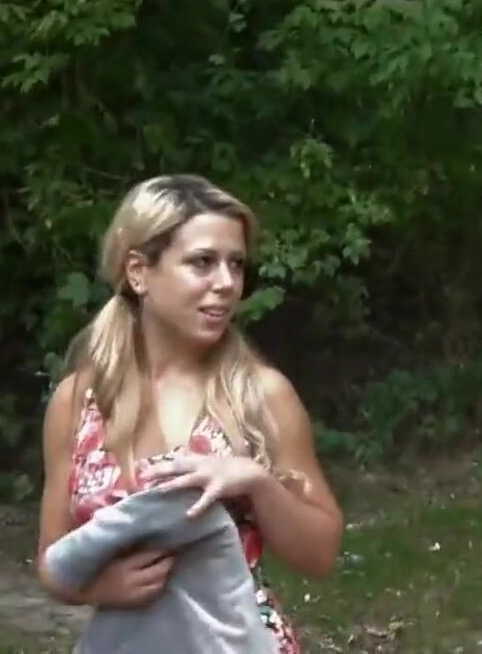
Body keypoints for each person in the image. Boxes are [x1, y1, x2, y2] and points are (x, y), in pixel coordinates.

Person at [36, 174, 344, 653]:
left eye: (236, 264)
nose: (226, 283)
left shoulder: (260, 396)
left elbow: (321, 554)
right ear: (139, 272)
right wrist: (97, 588)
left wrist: (257, 483)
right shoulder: (79, 401)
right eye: (202, 262)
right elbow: (52, 561)